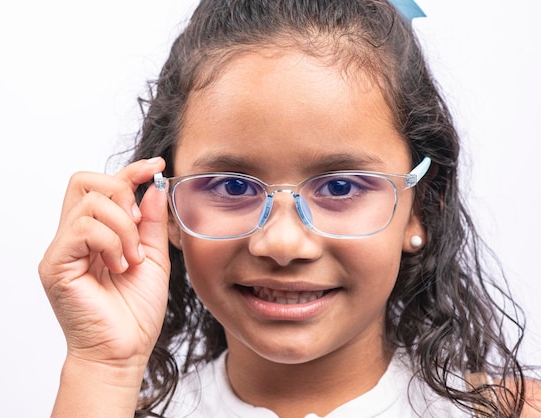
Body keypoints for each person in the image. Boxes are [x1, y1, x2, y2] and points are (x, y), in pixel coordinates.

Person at [38, 0, 541, 416]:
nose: (281, 244)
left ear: (421, 210)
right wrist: (101, 368)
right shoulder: (103, 401)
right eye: (233, 187)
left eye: (342, 188)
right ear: (164, 207)